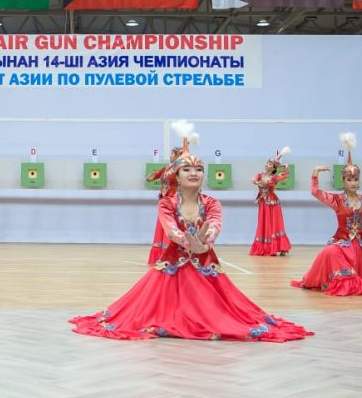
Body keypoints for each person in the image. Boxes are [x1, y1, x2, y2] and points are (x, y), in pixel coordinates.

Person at [71, 121, 311, 342]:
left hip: (205, 264)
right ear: (177, 175)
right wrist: (187, 242)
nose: (193, 173)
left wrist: (204, 243)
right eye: (186, 170)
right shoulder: (166, 203)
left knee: (225, 317)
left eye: (198, 169)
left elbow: (215, 224)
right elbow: (170, 229)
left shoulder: (211, 203)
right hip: (172, 267)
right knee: (142, 316)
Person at [291, 133, 362, 296]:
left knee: (359, 278)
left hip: (359, 249)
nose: (353, 183)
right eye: (349, 180)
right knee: (330, 251)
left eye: (356, 179)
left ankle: (351, 281)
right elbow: (315, 191)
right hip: (342, 244)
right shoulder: (337, 200)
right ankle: (340, 283)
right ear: (343, 181)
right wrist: (315, 173)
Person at [249, 146, 293, 257]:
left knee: (274, 224)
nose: (266, 164)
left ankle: (280, 247)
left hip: (273, 203)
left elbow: (286, 175)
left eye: (269, 163)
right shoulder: (260, 175)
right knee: (264, 223)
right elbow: (253, 180)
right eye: (267, 163)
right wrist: (257, 183)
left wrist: (285, 167)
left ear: (273, 167)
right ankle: (265, 246)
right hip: (263, 203)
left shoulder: (274, 178)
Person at [146, 143, 180, 265]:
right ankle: (159, 257)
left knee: (170, 228)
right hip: (163, 202)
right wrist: (153, 175)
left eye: (172, 154)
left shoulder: (180, 170)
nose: (170, 156)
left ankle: (170, 257)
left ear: (178, 156)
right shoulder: (166, 169)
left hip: (174, 202)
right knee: (161, 228)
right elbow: (150, 178)